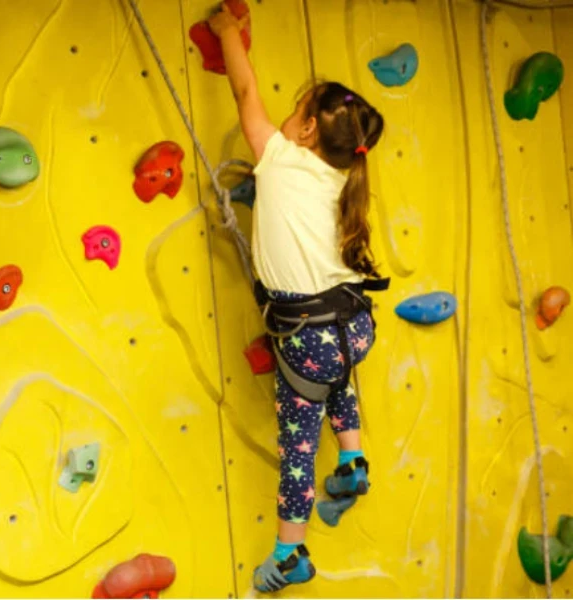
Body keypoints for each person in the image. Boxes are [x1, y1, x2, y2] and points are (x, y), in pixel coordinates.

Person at [208, 2, 387, 593]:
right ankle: (353, 460)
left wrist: (226, 32)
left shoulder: (280, 158)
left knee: (295, 445)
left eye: (295, 112)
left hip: (309, 332)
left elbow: (243, 88)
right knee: (334, 375)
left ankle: (290, 553)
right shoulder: (344, 182)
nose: (281, 119)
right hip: (353, 323)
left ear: (307, 130)